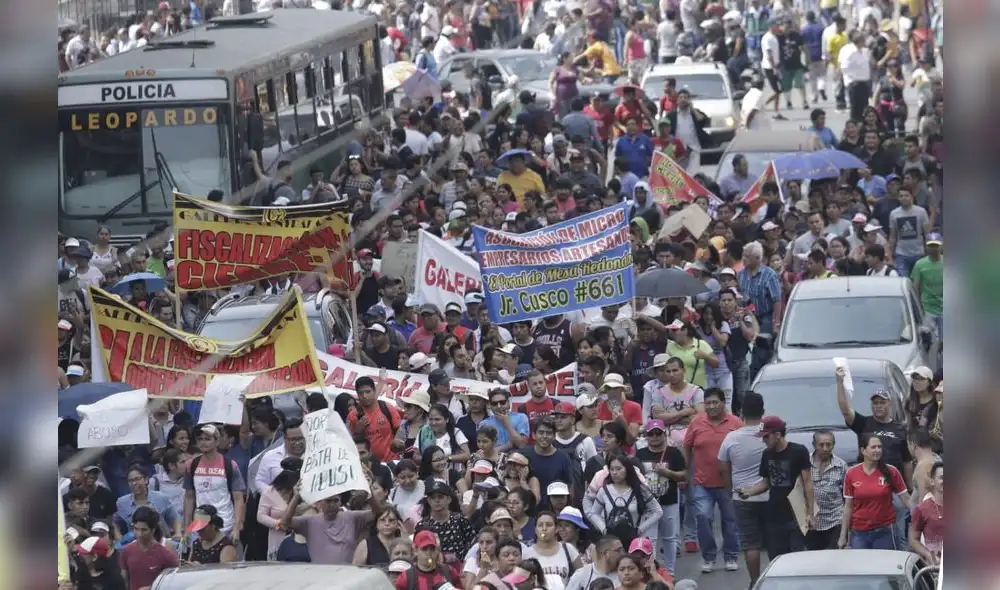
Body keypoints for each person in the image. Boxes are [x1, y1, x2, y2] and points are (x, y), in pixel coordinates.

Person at [736, 416, 814, 558]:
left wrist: (810, 513)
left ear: (777, 435)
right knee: (776, 558)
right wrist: (749, 492)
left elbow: (808, 483)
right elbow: (766, 483)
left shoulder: (799, 451)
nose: (764, 441)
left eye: (766, 437)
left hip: (795, 515)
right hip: (774, 516)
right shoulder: (767, 454)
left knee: (796, 557)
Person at [682, 388, 742, 573]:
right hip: (701, 482)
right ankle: (709, 557)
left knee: (730, 520)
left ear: (723, 403)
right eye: (708, 403)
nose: (712, 406)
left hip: (728, 483)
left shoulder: (735, 423)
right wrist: (684, 471)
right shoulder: (696, 422)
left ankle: (731, 556)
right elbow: (687, 446)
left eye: (715, 402)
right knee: (703, 517)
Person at [718, 392, 767, 587]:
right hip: (770, 496)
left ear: (741, 412)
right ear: (763, 411)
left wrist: (731, 491)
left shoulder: (731, 438)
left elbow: (723, 468)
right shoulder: (769, 435)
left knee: (750, 543)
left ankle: (755, 582)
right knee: (774, 541)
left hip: (743, 498)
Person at [840, 434, 911, 549]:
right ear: (863, 450)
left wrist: (923, 517)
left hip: (885, 530)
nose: (877, 450)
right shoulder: (851, 473)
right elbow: (848, 507)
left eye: (879, 447)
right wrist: (843, 535)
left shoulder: (891, 471)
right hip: (859, 532)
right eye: (873, 447)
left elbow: (906, 499)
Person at [634, 420, 686, 575]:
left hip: (668, 501)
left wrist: (668, 474)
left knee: (670, 538)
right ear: (646, 436)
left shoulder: (674, 452)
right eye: (651, 434)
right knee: (650, 539)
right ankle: (653, 572)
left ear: (664, 434)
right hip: (647, 505)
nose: (655, 437)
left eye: (658, 433)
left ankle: (669, 572)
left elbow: (684, 476)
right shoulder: (640, 454)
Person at [806, 430, 848, 550]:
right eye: (821, 445)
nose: (825, 448)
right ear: (814, 445)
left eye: (828, 445)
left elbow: (848, 496)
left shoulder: (841, 465)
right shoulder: (805, 463)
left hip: (835, 520)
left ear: (833, 445)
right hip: (812, 521)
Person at [910, 461, 944, 564]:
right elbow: (913, 540)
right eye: (942, 477)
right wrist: (928, 555)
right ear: (932, 481)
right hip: (936, 568)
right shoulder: (922, 509)